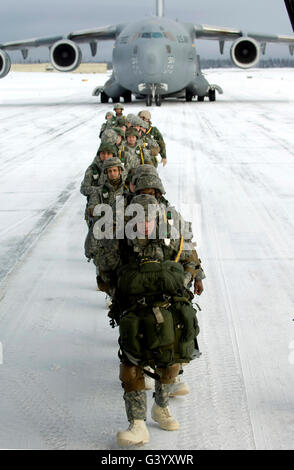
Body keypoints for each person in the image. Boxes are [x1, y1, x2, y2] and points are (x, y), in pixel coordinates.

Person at [96, 194, 204, 446]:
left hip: (169, 307)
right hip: (135, 310)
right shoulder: (120, 241)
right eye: (139, 219)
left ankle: (161, 406)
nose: (145, 224)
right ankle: (137, 424)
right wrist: (117, 293)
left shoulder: (170, 236)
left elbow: (191, 259)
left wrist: (186, 280)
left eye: (150, 219)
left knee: (170, 359)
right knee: (131, 361)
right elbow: (105, 273)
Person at [80, 143, 117, 225]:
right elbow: (83, 189)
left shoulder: (118, 169)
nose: (106, 156)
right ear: (99, 154)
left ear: (113, 155)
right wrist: (99, 190)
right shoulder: (92, 170)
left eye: (108, 154)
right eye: (103, 153)